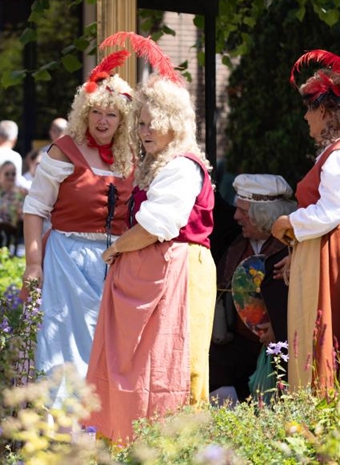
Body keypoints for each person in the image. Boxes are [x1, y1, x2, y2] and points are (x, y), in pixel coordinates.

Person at [83, 33, 215, 443]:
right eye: (139, 123)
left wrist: (117, 249)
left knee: (179, 360)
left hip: (180, 270)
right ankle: (132, 440)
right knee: (144, 362)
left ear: (173, 122)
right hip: (156, 271)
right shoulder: (159, 164)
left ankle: (179, 444)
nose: (143, 131)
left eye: (151, 123)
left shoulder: (181, 167)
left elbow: (161, 225)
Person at [22, 47, 135, 406]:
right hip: (66, 258)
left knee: (109, 344)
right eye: (96, 113)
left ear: (122, 120)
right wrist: (33, 263)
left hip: (114, 262)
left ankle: (100, 419)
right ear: (84, 113)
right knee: (62, 343)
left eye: (111, 115)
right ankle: (57, 421)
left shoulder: (131, 157)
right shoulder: (64, 150)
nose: (103, 121)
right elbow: (34, 208)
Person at [271, 50, 340, 393]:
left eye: (309, 109)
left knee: (328, 333)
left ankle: (327, 409)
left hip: (339, 252)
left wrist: (287, 223)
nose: (306, 117)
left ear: (324, 110)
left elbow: (331, 212)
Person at [209, 174, 296, 406]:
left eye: (244, 211)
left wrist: (279, 328)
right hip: (239, 343)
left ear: (263, 215)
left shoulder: (292, 251)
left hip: (282, 345)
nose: (236, 216)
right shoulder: (235, 244)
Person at [0, 161, 26, 226]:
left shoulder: (21, 193)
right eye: (7, 174)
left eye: (13, 174)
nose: (10, 176)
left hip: (15, 229)